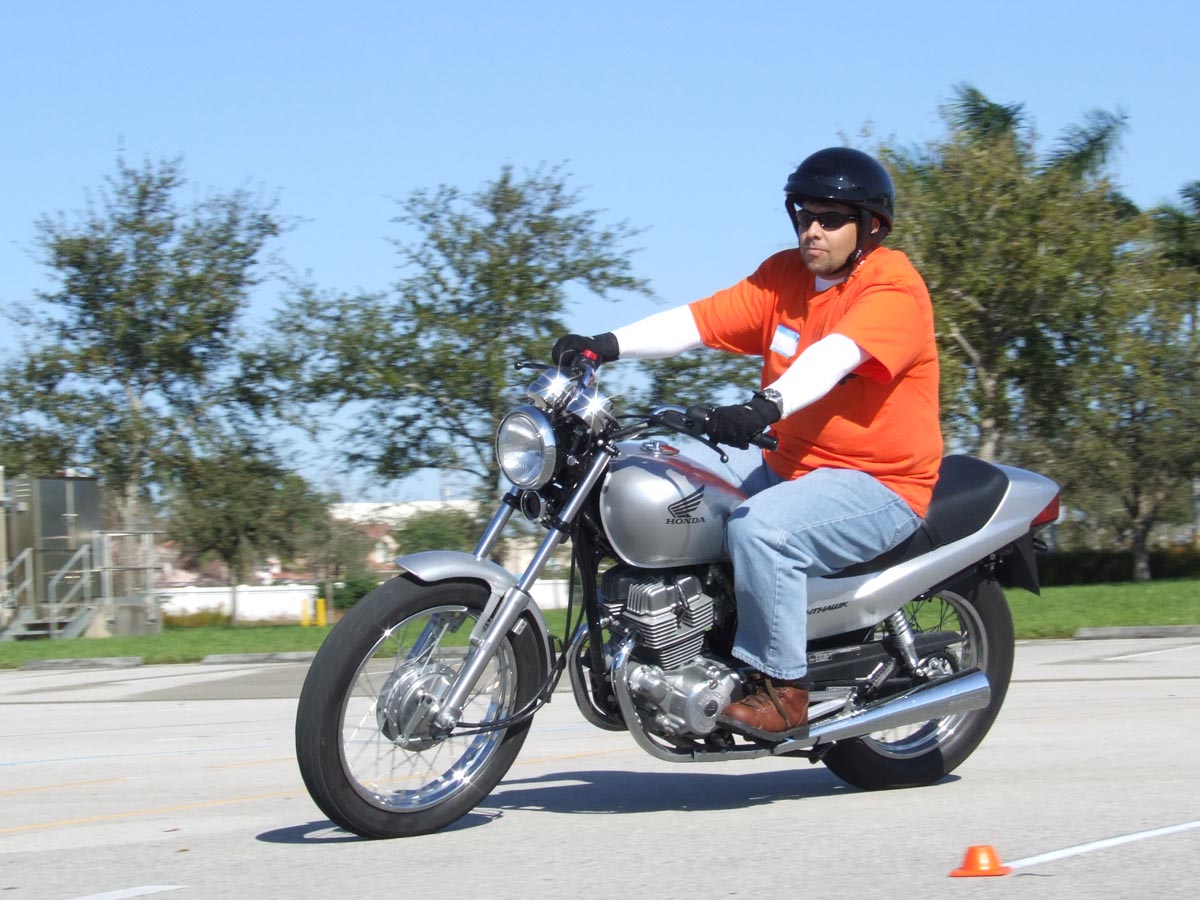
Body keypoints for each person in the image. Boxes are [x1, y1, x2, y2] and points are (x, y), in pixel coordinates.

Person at [552, 147, 941, 740]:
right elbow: (699, 321)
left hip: (880, 483)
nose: (812, 229)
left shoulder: (892, 287)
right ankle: (689, 646)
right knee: (669, 487)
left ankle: (784, 691)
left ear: (870, 227)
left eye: (831, 218)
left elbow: (833, 358)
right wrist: (604, 345)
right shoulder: (785, 277)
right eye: (804, 215)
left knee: (762, 530)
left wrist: (765, 406)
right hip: (790, 466)